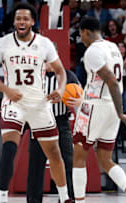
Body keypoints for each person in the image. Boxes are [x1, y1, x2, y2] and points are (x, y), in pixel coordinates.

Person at [0, 3, 71, 203]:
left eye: (25, 18)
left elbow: (60, 71)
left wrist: (60, 89)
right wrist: (6, 90)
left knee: (55, 153)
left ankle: (65, 197)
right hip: (14, 103)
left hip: (39, 103)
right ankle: (3, 198)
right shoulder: (3, 43)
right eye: (18, 18)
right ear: (14, 22)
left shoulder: (45, 43)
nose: (21, 22)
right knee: (9, 148)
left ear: (32, 22)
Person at [70, 16, 126, 203]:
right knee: (105, 158)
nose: (82, 39)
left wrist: (122, 112)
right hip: (111, 107)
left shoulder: (92, 51)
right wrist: (118, 112)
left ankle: (79, 201)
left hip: (95, 105)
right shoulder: (113, 47)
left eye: (81, 35)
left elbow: (110, 79)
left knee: (79, 155)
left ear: (86, 32)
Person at [27, 66, 78, 203]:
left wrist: (74, 99)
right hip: (39, 122)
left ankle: (68, 198)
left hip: (61, 123)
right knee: (36, 164)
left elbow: (79, 96)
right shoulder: (34, 75)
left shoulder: (67, 75)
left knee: (67, 162)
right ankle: (33, 200)